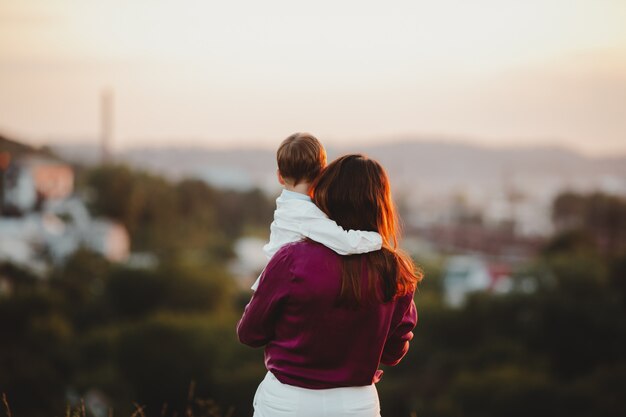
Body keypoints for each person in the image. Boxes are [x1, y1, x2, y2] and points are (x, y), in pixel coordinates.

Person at [237, 154, 422, 417]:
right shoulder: (396, 271)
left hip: (287, 402)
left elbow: (250, 333)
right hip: (356, 406)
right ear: (382, 205)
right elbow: (394, 352)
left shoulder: (292, 259)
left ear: (327, 196)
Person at [251, 132, 382, 291]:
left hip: (270, 284)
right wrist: (377, 239)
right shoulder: (306, 215)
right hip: (280, 287)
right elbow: (347, 243)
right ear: (322, 173)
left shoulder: (287, 205)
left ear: (279, 176)